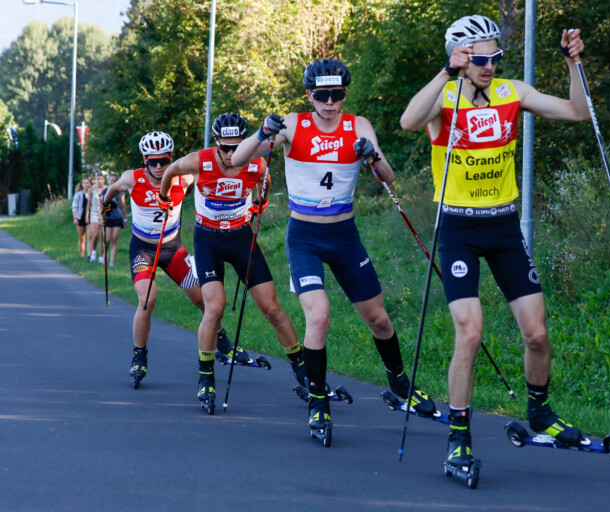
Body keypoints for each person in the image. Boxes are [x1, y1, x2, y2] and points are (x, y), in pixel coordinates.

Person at [400, 15, 589, 471]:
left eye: (495, 58)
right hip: (458, 229)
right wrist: (446, 72)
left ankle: (540, 414)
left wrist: (574, 64)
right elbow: (408, 122)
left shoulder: (512, 92)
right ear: (461, 58)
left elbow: (578, 112)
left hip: (503, 227)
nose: (489, 66)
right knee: (469, 334)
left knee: (537, 333)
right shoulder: (443, 97)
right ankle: (459, 435)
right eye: (480, 59)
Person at [232, 59, 436, 438]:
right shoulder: (293, 124)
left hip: (345, 238)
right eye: (322, 95)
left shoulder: (358, 126)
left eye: (337, 95)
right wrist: (262, 132)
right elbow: (239, 158)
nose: (329, 102)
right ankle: (318, 401)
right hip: (304, 238)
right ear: (310, 95)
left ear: (344, 94)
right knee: (319, 316)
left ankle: (399, 380)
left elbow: (388, 177)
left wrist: (372, 155)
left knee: (379, 319)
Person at [157, 114, 302, 410]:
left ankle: (303, 370)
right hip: (208, 239)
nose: (232, 153)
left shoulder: (256, 162)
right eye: (225, 147)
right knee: (214, 308)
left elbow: (264, 179)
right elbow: (171, 170)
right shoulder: (200, 161)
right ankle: (206, 376)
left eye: (237, 147)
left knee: (272, 309)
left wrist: (261, 201)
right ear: (216, 143)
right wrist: (164, 197)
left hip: (240, 237)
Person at [101, 131, 255, 392]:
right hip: (144, 250)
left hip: (173, 249)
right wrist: (105, 205)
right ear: (145, 160)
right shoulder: (132, 178)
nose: (159, 167)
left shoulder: (183, 178)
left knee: (202, 300)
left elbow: (214, 172)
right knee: (147, 300)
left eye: (164, 160)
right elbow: (111, 191)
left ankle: (222, 342)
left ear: (171, 157)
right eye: (153, 162)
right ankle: (139, 356)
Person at [100, 173, 126, 267]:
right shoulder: (104, 191)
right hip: (107, 217)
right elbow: (101, 205)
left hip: (117, 217)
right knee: (107, 239)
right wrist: (101, 218)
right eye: (111, 180)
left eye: (114, 181)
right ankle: (105, 254)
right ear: (108, 181)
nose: (112, 182)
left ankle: (112, 261)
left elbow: (123, 205)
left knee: (115, 239)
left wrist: (125, 219)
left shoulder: (120, 191)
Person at [85, 173, 106, 263]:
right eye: (98, 179)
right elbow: (88, 204)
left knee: (102, 237)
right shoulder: (91, 189)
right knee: (95, 234)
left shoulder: (107, 189)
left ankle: (101, 256)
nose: (99, 181)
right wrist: (87, 216)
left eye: (101, 179)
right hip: (94, 214)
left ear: (103, 180)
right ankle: (93, 252)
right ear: (95, 180)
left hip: (103, 214)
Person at [71, 176, 91, 258]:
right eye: (84, 183)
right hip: (80, 217)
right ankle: (81, 255)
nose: (86, 184)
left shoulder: (92, 194)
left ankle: (89, 255)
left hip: (90, 218)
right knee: (82, 237)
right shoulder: (78, 195)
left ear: (90, 184)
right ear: (82, 185)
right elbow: (74, 207)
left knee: (90, 237)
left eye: (87, 183)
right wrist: (75, 218)